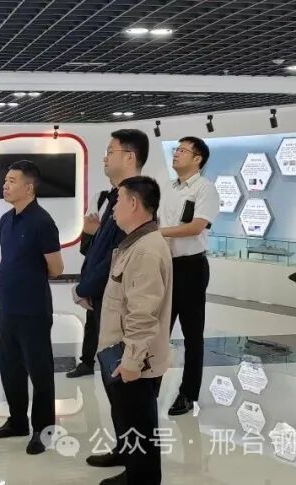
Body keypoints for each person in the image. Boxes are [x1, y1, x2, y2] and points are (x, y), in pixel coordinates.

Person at [96, 176, 172, 485]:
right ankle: (133, 473)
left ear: (134, 203)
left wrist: (131, 361)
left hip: (133, 359)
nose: (113, 207)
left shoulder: (146, 251)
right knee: (131, 423)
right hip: (121, 352)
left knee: (140, 424)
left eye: (118, 200)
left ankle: (142, 479)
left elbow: (143, 314)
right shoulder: (136, 243)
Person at [0, 161, 65, 455]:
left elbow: (56, 268)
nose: (5, 185)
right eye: (5, 180)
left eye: (12, 181)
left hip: (33, 310)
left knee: (40, 373)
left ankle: (43, 432)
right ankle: (17, 420)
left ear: (29, 187)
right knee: (11, 369)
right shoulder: (6, 220)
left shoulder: (42, 222)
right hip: (8, 307)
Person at [69, 129, 147, 381]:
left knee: (123, 380)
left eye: (110, 152)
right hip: (103, 293)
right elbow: (96, 250)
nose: (105, 158)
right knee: (112, 375)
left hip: (120, 299)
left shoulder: (136, 202)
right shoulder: (111, 198)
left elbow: (118, 256)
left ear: (129, 157)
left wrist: (84, 288)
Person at [158, 136, 218, 417]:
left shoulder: (205, 189)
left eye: (183, 150)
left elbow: (196, 227)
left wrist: (159, 233)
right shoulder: (169, 189)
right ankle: (151, 383)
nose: (176, 154)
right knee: (159, 329)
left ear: (198, 159)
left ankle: (188, 393)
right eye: (176, 149)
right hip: (166, 266)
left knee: (192, 334)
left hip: (191, 268)